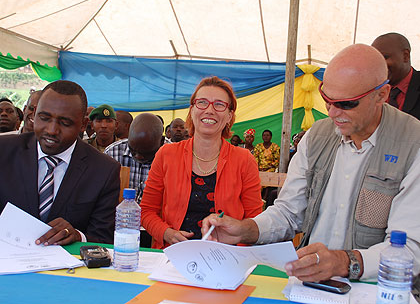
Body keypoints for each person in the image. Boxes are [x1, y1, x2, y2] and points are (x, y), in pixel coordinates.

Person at [201, 44, 420, 292]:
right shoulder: (318, 135)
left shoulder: (413, 145)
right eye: (327, 99)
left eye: (347, 104)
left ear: (382, 95)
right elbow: (288, 212)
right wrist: (247, 229)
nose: (333, 112)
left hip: (378, 291)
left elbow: (409, 249)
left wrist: (343, 262)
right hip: (311, 287)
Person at [140, 76, 263, 249]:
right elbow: (146, 211)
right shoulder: (166, 154)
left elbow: (255, 222)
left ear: (229, 116)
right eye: (202, 102)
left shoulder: (244, 160)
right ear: (192, 110)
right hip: (173, 254)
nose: (210, 110)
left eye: (219, 104)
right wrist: (167, 232)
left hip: (227, 257)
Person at [0, 80, 121, 245]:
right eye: (44, 118)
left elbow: (103, 238)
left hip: (68, 268)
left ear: (83, 125)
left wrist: (78, 236)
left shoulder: (104, 170)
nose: (51, 130)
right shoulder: (4, 151)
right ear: (33, 114)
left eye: (65, 123)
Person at [105, 113, 163, 204]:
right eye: (133, 150)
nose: (138, 156)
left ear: (161, 141)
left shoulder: (174, 158)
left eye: (146, 152)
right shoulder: (112, 154)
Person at [372, 32, 420, 120]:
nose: (379, 65)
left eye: (385, 57)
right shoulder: (369, 89)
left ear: (405, 56)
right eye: (375, 59)